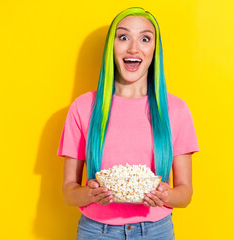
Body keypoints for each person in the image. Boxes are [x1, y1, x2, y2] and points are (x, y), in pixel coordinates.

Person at [57, 7, 199, 240]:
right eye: (123, 37)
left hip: (156, 231)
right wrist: (91, 194)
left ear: (155, 50)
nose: (134, 48)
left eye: (145, 38)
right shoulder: (83, 107)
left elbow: (185, 194)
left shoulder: (176, 110)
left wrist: (165, 195)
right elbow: (68, 192)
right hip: (96, 232)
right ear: (111, 48)